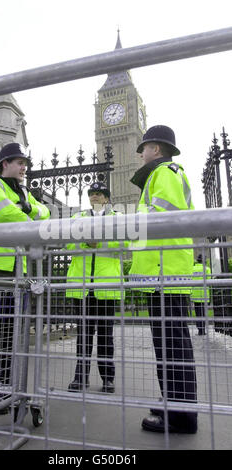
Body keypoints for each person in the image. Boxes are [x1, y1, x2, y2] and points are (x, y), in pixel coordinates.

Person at [0, 142, 50, 411]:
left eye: (25, 163)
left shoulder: (23, 192)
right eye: (19, 162)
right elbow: (5, 214)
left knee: (8, 333)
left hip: (16, 270)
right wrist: (30, 216)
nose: (24, 167)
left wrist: (26, 210)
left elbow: (45, 212)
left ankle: (2, 390)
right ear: (5, 164)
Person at [129, 125, 198, 434]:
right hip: (161, 272)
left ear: (156, 148)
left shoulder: (166, 172)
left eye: (143, 148)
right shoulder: (160, 174)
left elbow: (162, 215)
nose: (141, 153)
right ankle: (172, 402)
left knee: (173, 346)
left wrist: (127, 224)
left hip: (165, 271)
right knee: (168, 345)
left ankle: (181, 417)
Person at [66, 182, 125, 393]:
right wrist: (84, 243)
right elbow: (67, 243)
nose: (94, 197)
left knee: (105, 337)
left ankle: (108, 378)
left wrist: (97, 243)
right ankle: (80, 377)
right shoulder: (77, 218)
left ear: (107, 199)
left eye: (99, 194)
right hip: (81, 286)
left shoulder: (118, 218)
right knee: (83, 336)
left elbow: (124, 244)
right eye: (91, 194)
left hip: (106, 286)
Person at [192, 254, 211, 335]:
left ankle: (200, 330)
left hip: (195, 295)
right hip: (204, 295)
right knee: (203, 313)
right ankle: (203, 330)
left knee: (198, 313)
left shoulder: (192, 269)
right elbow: (209, 281)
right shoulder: (207, 269)